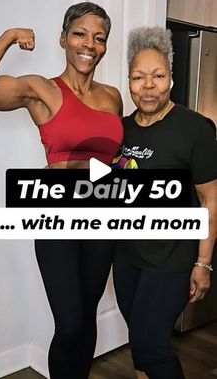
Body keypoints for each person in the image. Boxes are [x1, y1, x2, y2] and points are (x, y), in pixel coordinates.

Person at [0, 2, 123, 379]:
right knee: (71, 322)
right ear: (63, 38)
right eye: (79, 33)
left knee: (87, 315)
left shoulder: (112, 96)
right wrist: (10, 36)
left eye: (99, 38)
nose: (89, 44)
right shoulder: (41, 89)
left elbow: (116, 158)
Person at [112, 27, 217, 379]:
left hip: (172, 258)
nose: (148, 85)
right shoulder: (122, 129)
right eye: (139, 77)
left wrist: (204, 263)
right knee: (141, 341)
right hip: (128, 257)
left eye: (158, 76)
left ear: (171, 78)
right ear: (129, 81)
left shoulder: (194, 129)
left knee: (150, 345)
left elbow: (210, 198)